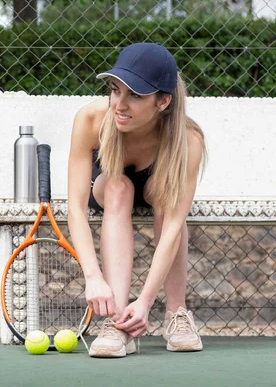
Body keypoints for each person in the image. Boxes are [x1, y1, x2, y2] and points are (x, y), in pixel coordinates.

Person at [67, 42, 207, 358]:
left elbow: (173, 227)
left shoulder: (188, 140)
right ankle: (117, 321)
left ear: (163, 101)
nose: (120, 104)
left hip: (159, 189)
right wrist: (93, 277)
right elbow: (75, 207)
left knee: (165, 195)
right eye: (115, 90)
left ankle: (176, 313)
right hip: (108, 187)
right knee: (119, 189)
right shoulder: (91, 120)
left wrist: (144, 301)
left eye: (135, 95)